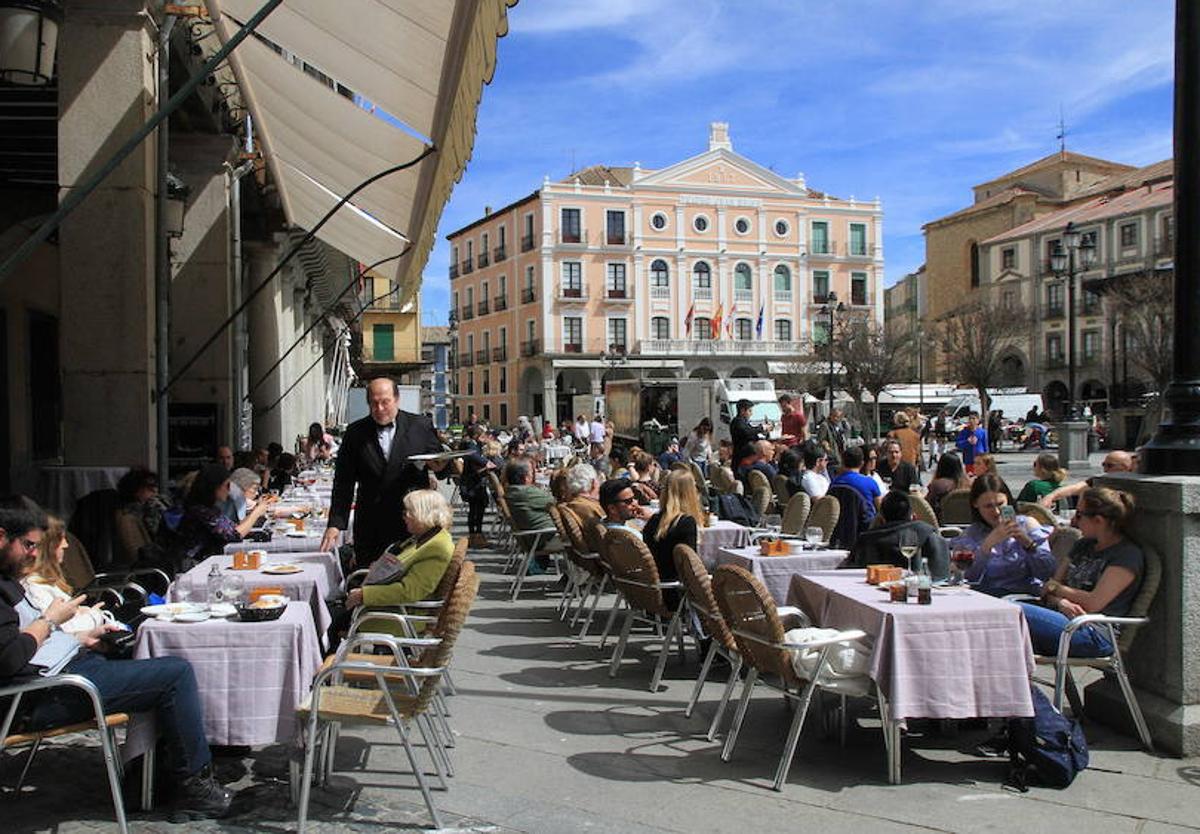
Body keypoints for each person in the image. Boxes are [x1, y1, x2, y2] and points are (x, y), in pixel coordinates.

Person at [0, 496, 233, 816]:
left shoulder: (7, 578)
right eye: (27, 545)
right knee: (175, 674)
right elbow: (10, 657)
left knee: (145, 649)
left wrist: (78, 637)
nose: (32, 554)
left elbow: (22, 642)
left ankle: (153, 774)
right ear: (2, 537)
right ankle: (193, 785)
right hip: (38, 695)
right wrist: (50, 620)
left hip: (57, 668)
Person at [323, 378, 445, 566]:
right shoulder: (355, 433)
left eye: (385, 402)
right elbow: (343, 483)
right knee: (370, 585)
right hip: (371, 523)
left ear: (397, 399)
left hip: (414, 523)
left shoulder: (420, 426)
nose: (379, 409)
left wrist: (443, 466)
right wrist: (335, 524)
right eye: (374, 403)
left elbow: (440, 465)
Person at [1017, 487, 1144, 657]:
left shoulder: (1126, 555)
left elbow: (1093, 603)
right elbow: (1047, 589)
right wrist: (1060, 602)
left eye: (1079, 515)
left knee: (1012, 612)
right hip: (1063, 618)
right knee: (1002, 614)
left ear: (1098, 521)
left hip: (1094, 632)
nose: (1074, 521)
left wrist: (1057, 589)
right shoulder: (1083, 545)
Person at [331, 489, 455, 648]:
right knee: (330, 611)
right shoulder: (424, 537)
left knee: (329, 620)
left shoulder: (437, 546)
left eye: (408, 512)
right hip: (388, 605)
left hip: (400, 616)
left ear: (423, 513)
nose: (404, 517)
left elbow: (410, 590)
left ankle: (331, 667)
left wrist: (365, 594)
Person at [949, 474, 1055, 596]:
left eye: (1000, 504)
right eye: (988, 506)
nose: (996, 512)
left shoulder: (1027, 524)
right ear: (976, 505)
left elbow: (1048, 573)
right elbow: (967, 578)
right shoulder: (971, 534)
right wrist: (985, 548)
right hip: (987, 597)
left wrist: (1027, 543)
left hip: (1023, 596)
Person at [23, 516, 115, 635]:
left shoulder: (45, 581)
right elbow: (61, 629)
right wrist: (95, 616)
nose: (65, 545)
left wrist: (83, 611)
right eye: (61, 539)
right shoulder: (34, 587)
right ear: (48, 547)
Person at [175, 463, 277, 569]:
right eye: (227, 485)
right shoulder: (201, 511)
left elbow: (233, 527)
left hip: (209, 561)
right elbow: (234, 535)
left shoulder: (210, 508)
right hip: (194, 566)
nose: (229, 490)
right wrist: (256, 512)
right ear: (214, 487)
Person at [850, 491, 949, 580]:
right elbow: (941, 575)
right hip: (923, 588)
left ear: (881, 518)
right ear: (913, 516)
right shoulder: (929, 536)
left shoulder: (865, 540)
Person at [641, 469, 705, 602]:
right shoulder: (686, 523)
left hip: (654, 589)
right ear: (690, 493)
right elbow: (690, 566)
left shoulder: (654, 521)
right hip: (677, 593)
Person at [1039, 450, 1136, 508]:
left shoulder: (1135, 482)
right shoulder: (1101, 479)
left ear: (1125, 467)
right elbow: (1076, 488)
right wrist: (1051, 496)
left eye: (1110, 466)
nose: (1105, 469)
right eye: (1104, 465)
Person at [114, 466, 165, 567]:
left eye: (155, 486)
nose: (154, 491)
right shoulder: (128, 517)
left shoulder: (151, 508)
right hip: (149, 566)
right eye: (149, 487)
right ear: (135, 489)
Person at [459, 426, 494, 549]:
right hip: (473, 484)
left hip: (475, 482)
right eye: (482, 436)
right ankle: (475, 535)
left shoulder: (475, 445)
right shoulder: (471, 446)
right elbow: (473, 456)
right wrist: (486, 463)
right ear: (476, 436)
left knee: (477, 510)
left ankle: (476, 534)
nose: (484, 438)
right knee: (475, 510)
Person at [831, 446, 882, 521]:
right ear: (862, 463)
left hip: (841, 525)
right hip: (866, 527)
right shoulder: (870, 482)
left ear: (843, 463)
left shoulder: (835, 483)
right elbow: (880, 507)